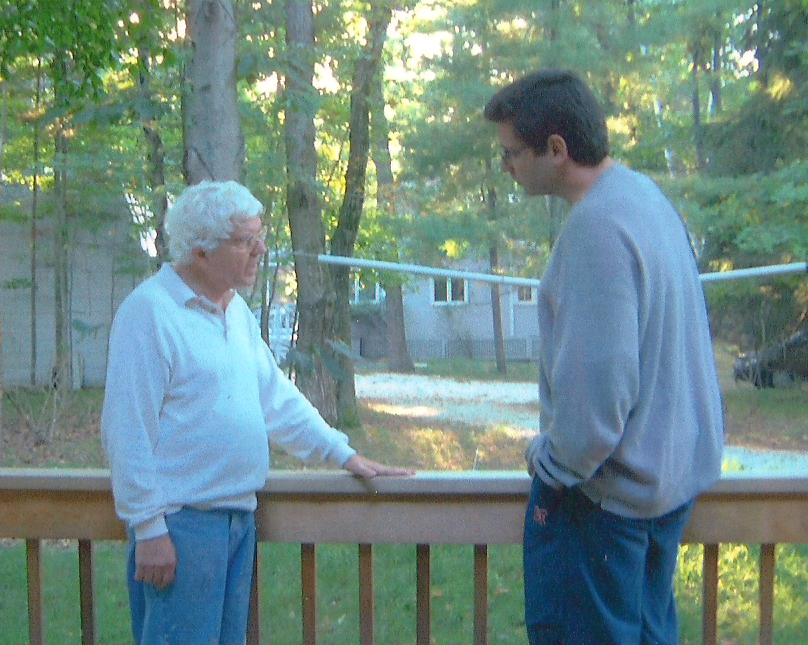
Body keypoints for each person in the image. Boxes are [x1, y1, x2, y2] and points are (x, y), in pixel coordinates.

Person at [101, 180, 414, 645]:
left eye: (259, 236)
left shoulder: (235, 312)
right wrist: (148, 529)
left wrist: (342, 454)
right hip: (181, 526)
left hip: (238, 520)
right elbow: (126, 432)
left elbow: (276, 400)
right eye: (246, 241)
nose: (261, 250)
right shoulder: (150, 312)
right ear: (202, 251)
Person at [484, 70, 724, 645]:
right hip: (661, 492)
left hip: (604, 506)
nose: (507, 167)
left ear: (557, 149)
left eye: (511, 153)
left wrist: (553, 462)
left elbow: (599, 392)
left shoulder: (596, 227)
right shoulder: (644, 198)